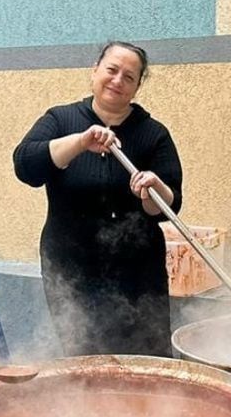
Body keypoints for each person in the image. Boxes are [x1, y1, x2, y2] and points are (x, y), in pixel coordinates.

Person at [12, 41, 182, 356]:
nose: (118, 81)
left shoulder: (152, 134)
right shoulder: (61, 120)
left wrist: (154, 188)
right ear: (95, 70)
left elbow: (168, 206)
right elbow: (26, 166)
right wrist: (80, 142)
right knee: (85, 362)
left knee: (145, 362)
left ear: (137, 86)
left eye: (129, 77)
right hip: (72, 272)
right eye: (112, 70)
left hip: (138, 278)